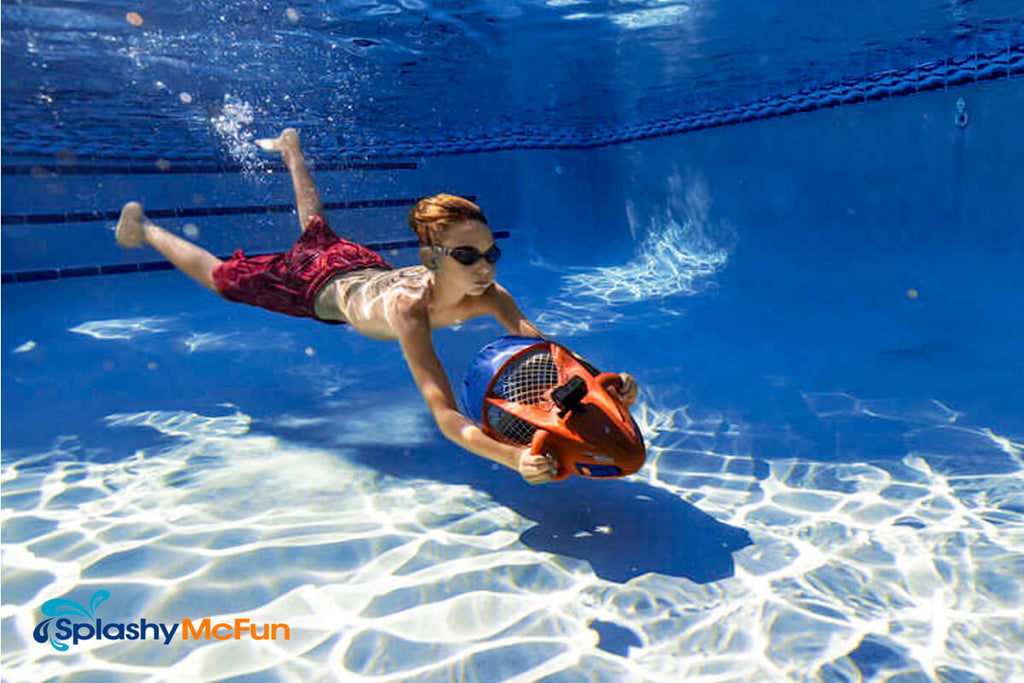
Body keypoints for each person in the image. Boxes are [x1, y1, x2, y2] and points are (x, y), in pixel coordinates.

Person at [115, 128, 638, 484]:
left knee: (317, 230)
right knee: (223, 280)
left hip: (357, 264)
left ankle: (292, 150)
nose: (485, 266)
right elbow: (445, 416)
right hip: (313, 286)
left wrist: (599, 386)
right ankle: (147, 230)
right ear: (432, 259)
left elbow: (549, 354)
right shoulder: (409, 310)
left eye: (490, 252)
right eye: (467, 256)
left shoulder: (492, 296)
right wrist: (513, 458)